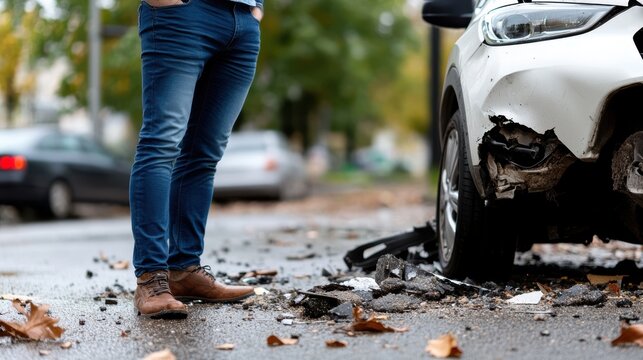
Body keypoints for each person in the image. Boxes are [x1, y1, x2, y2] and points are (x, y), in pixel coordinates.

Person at [130, 0, 263, 319]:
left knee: (204, 153)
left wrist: (256, 9)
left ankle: (184, 270)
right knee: (161, 142)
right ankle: (151, 278)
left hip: (243, 22)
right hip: (183, 13)